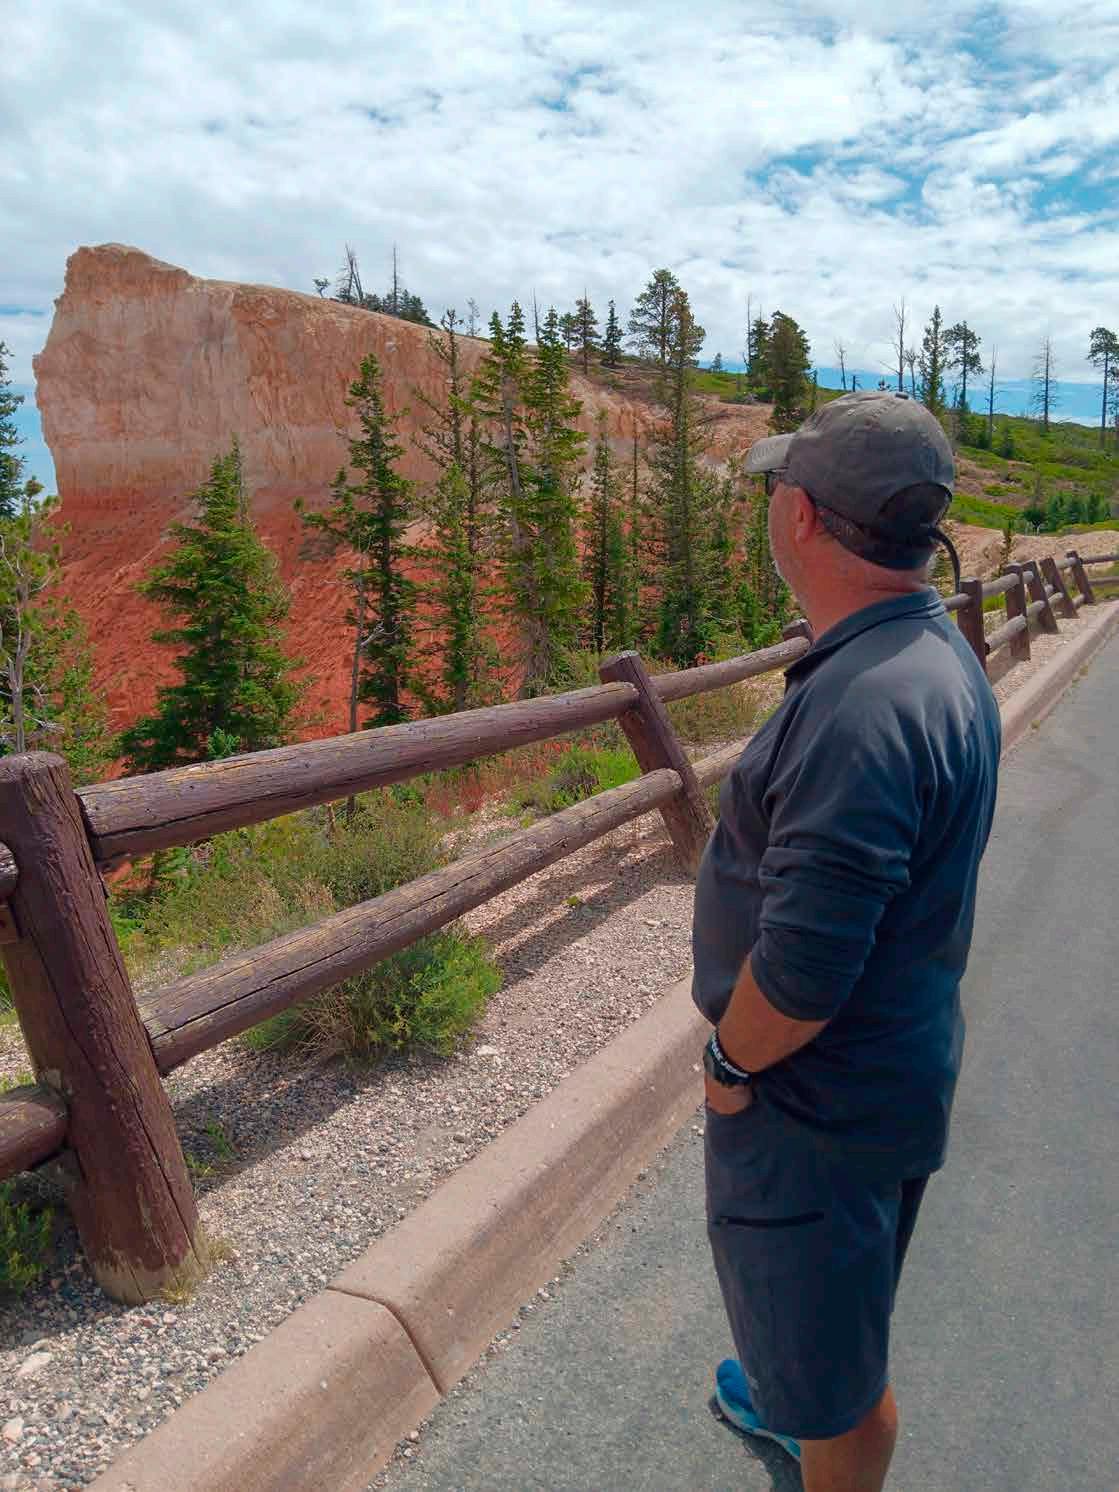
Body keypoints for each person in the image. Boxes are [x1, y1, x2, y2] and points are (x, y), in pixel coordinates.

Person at [691, 391, 1001, 1492]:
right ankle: (793, 1391)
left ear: (804, 516)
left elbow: (806, 968)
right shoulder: (927, 654)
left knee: (846, 1390)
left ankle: (817, 1420)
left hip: (813, 1106)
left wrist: (730, 1066)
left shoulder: (862, 710)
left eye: (779, 485)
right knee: (828, 1313)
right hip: (885, 1074)